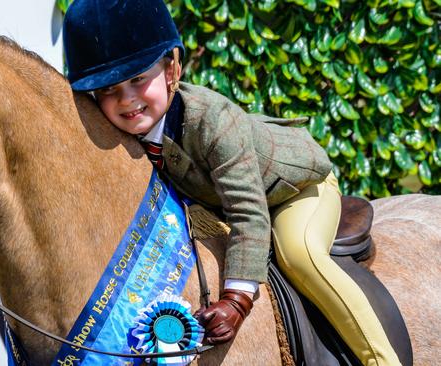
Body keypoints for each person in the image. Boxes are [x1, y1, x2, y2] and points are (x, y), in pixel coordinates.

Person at [62, 1, 401, 365]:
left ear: (171, 66)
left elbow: (248, 210)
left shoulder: (213, 120)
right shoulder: (121, 133)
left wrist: (237, 300)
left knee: (299, 254)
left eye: (138, 79)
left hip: (292, 190)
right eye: (109, 89)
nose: (126, 100)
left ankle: (381, 359)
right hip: (218, 201)